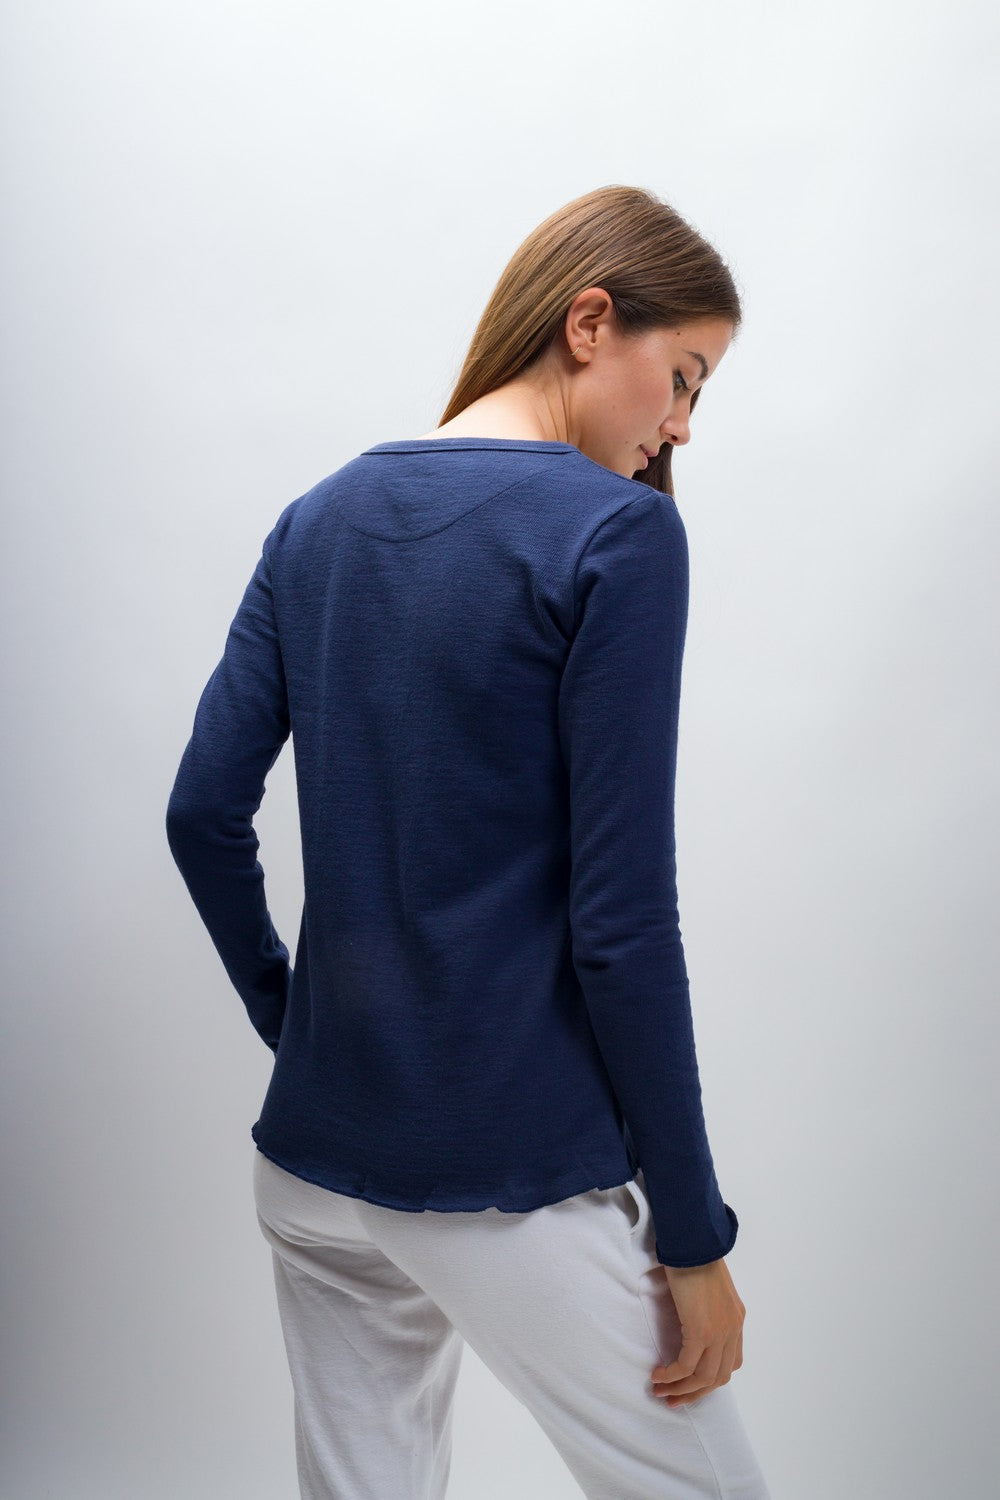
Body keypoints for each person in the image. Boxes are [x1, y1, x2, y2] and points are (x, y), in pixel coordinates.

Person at [165, 183, 773, 1499]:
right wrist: (692, 1233)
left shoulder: (318, 517)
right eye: (684, 378)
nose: (681, 426)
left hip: (315, 1163)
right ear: (589, 322)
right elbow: (623, 925)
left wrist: (295, 1023)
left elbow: (201, 814)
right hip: (503, 1179)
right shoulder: (620, 533)